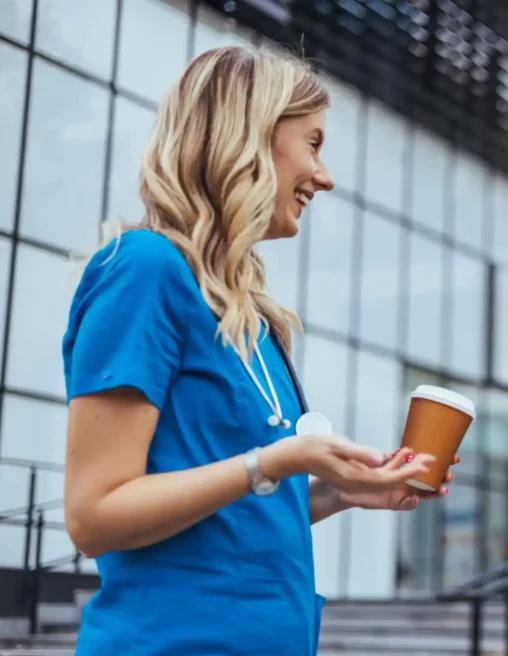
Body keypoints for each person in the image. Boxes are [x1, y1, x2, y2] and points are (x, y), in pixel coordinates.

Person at [61, 46, 453, 655]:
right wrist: (275, 462)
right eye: (314, 144)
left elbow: (233, 515)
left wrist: (337, 491)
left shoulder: (252, 318)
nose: (325, 176)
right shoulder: (143, 269)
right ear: (249, 137)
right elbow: (94, 517)